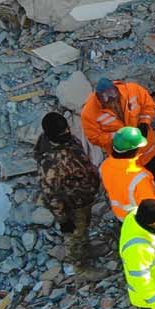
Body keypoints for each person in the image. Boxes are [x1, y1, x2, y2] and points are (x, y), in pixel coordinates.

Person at [82, 77, 155, 212]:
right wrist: (119, 137)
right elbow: (94, 137)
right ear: (99, 98)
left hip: (148, 148)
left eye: (113, 96)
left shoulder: (132, 90)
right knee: (140, 187)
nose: (112, 101)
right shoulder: (90, 113)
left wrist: (144, 122)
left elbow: (148, 105)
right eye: (106, 99)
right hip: (125, 157)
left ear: (117, 90)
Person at [35, 112, 99, 264]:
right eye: (62, 132)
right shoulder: (49, 162)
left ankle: (87, 249)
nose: (67, 133)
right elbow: (51, 194)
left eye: (67, 129)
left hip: (83, 197)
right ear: (52, 134)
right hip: (72, 204)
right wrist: (63, 219)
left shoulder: (67, 141)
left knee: (84, 227)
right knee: (75, 236)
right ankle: (80, 267)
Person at [100, 127, 155, 220]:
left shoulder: (105, 166)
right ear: (134, 150)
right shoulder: (140, 177)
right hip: (142, 220)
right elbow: (152, 207)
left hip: (122, 217)